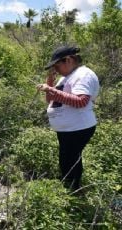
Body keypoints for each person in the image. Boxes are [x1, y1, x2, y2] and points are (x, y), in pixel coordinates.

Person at [37, 45, 100, 191]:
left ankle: (74, 190)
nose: (56, 70)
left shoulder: (83, 74)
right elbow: (50, 100)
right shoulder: (66, 77)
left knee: (70, 160)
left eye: (57, 65)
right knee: (67, 159)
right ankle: (69, 187)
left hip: (78, 128)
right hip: (68, 129)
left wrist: (51, 89)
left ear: (69, 60)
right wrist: (50, 82)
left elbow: (81, 101)